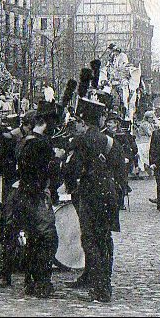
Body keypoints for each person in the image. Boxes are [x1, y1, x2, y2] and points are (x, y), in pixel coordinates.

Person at [68, 97, 121, 303]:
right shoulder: (108, 140)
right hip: (108, 192)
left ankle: (99, 289)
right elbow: (119, 166)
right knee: (105, 239)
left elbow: (72, 169)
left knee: (90, 240)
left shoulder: (81, 141)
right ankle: (102, 281)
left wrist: (71, 184)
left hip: (90, 193)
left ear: (83, 120)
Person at [14, 106, 59, 298]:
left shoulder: (24, 141)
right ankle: (42, 282)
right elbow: (49, 172)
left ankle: (30, 280)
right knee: (47, 239)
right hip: (38, 196)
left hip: (23, 194)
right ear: (45, 124)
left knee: (32, 239)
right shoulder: (41, 144)